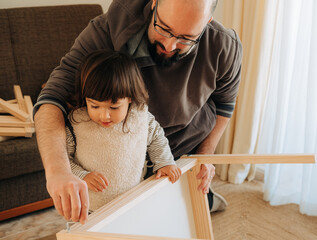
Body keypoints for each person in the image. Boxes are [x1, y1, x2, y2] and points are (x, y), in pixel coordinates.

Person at [34, 0, 242, 224]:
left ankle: (206, 200)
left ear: (207, 23)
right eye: (164, 28)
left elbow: (224, 104)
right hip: (128, 153)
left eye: (186, 38)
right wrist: (57, 171)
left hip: (182, 150)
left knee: (181, 219)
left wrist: (205, 158)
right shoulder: (104, 32)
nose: (170, 46)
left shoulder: (224, 45)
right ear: (154, 4)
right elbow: (51, 97)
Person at [66, 50, 181, 211]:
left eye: (114, 107)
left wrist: (164, 162)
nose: (104, 115)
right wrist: (82, 175)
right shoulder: (77, 122)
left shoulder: (140, 118)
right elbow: (64, 159)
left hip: (131, 199)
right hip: (90, 204)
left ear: (130, 98)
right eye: (94, 106)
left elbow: (156, 137)